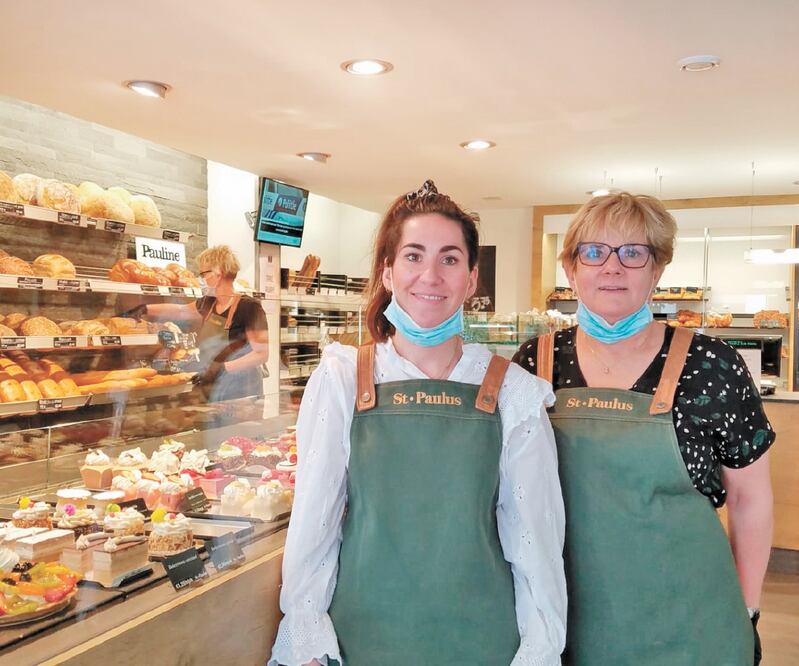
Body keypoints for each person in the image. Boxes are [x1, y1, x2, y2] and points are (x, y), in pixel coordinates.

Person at [270, 180, 566, 666]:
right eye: (413, 256)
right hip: (362, 641)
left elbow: (535, 543)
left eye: (450, 259)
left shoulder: (513, 391)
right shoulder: (344, 378)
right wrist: (306, 636)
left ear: (471, 279)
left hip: (484, 644)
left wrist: (539, 651)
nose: (430, 275)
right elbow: (314, 524)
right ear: (387, 272)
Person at [513, 192, 774, 665]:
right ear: (571, 269)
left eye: (633, 252)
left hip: (691, 623)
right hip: (565, 622)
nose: (612, 267)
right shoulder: (535, 364)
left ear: (657, 269)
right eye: (594, 252)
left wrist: (746, 608)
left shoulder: (712, 365)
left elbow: (749, 499)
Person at [127, 245, 269, 401]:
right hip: (217, 386)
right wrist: (145, 309)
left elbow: (261, 354)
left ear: (218, 273)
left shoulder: (250, 307)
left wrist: (222, 368)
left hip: (243, 390)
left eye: (204, 273)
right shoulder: (209, 303)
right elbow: (181, 310)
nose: (202, 279)